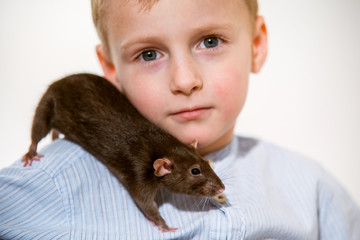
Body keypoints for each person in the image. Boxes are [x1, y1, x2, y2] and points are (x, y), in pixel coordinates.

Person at [0, 0, 359, 239]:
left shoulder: (311, 186)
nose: (185, 81)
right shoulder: (55, 183)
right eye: (149, 54)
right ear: (111, 70)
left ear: (256, 45)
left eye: (210, 41)